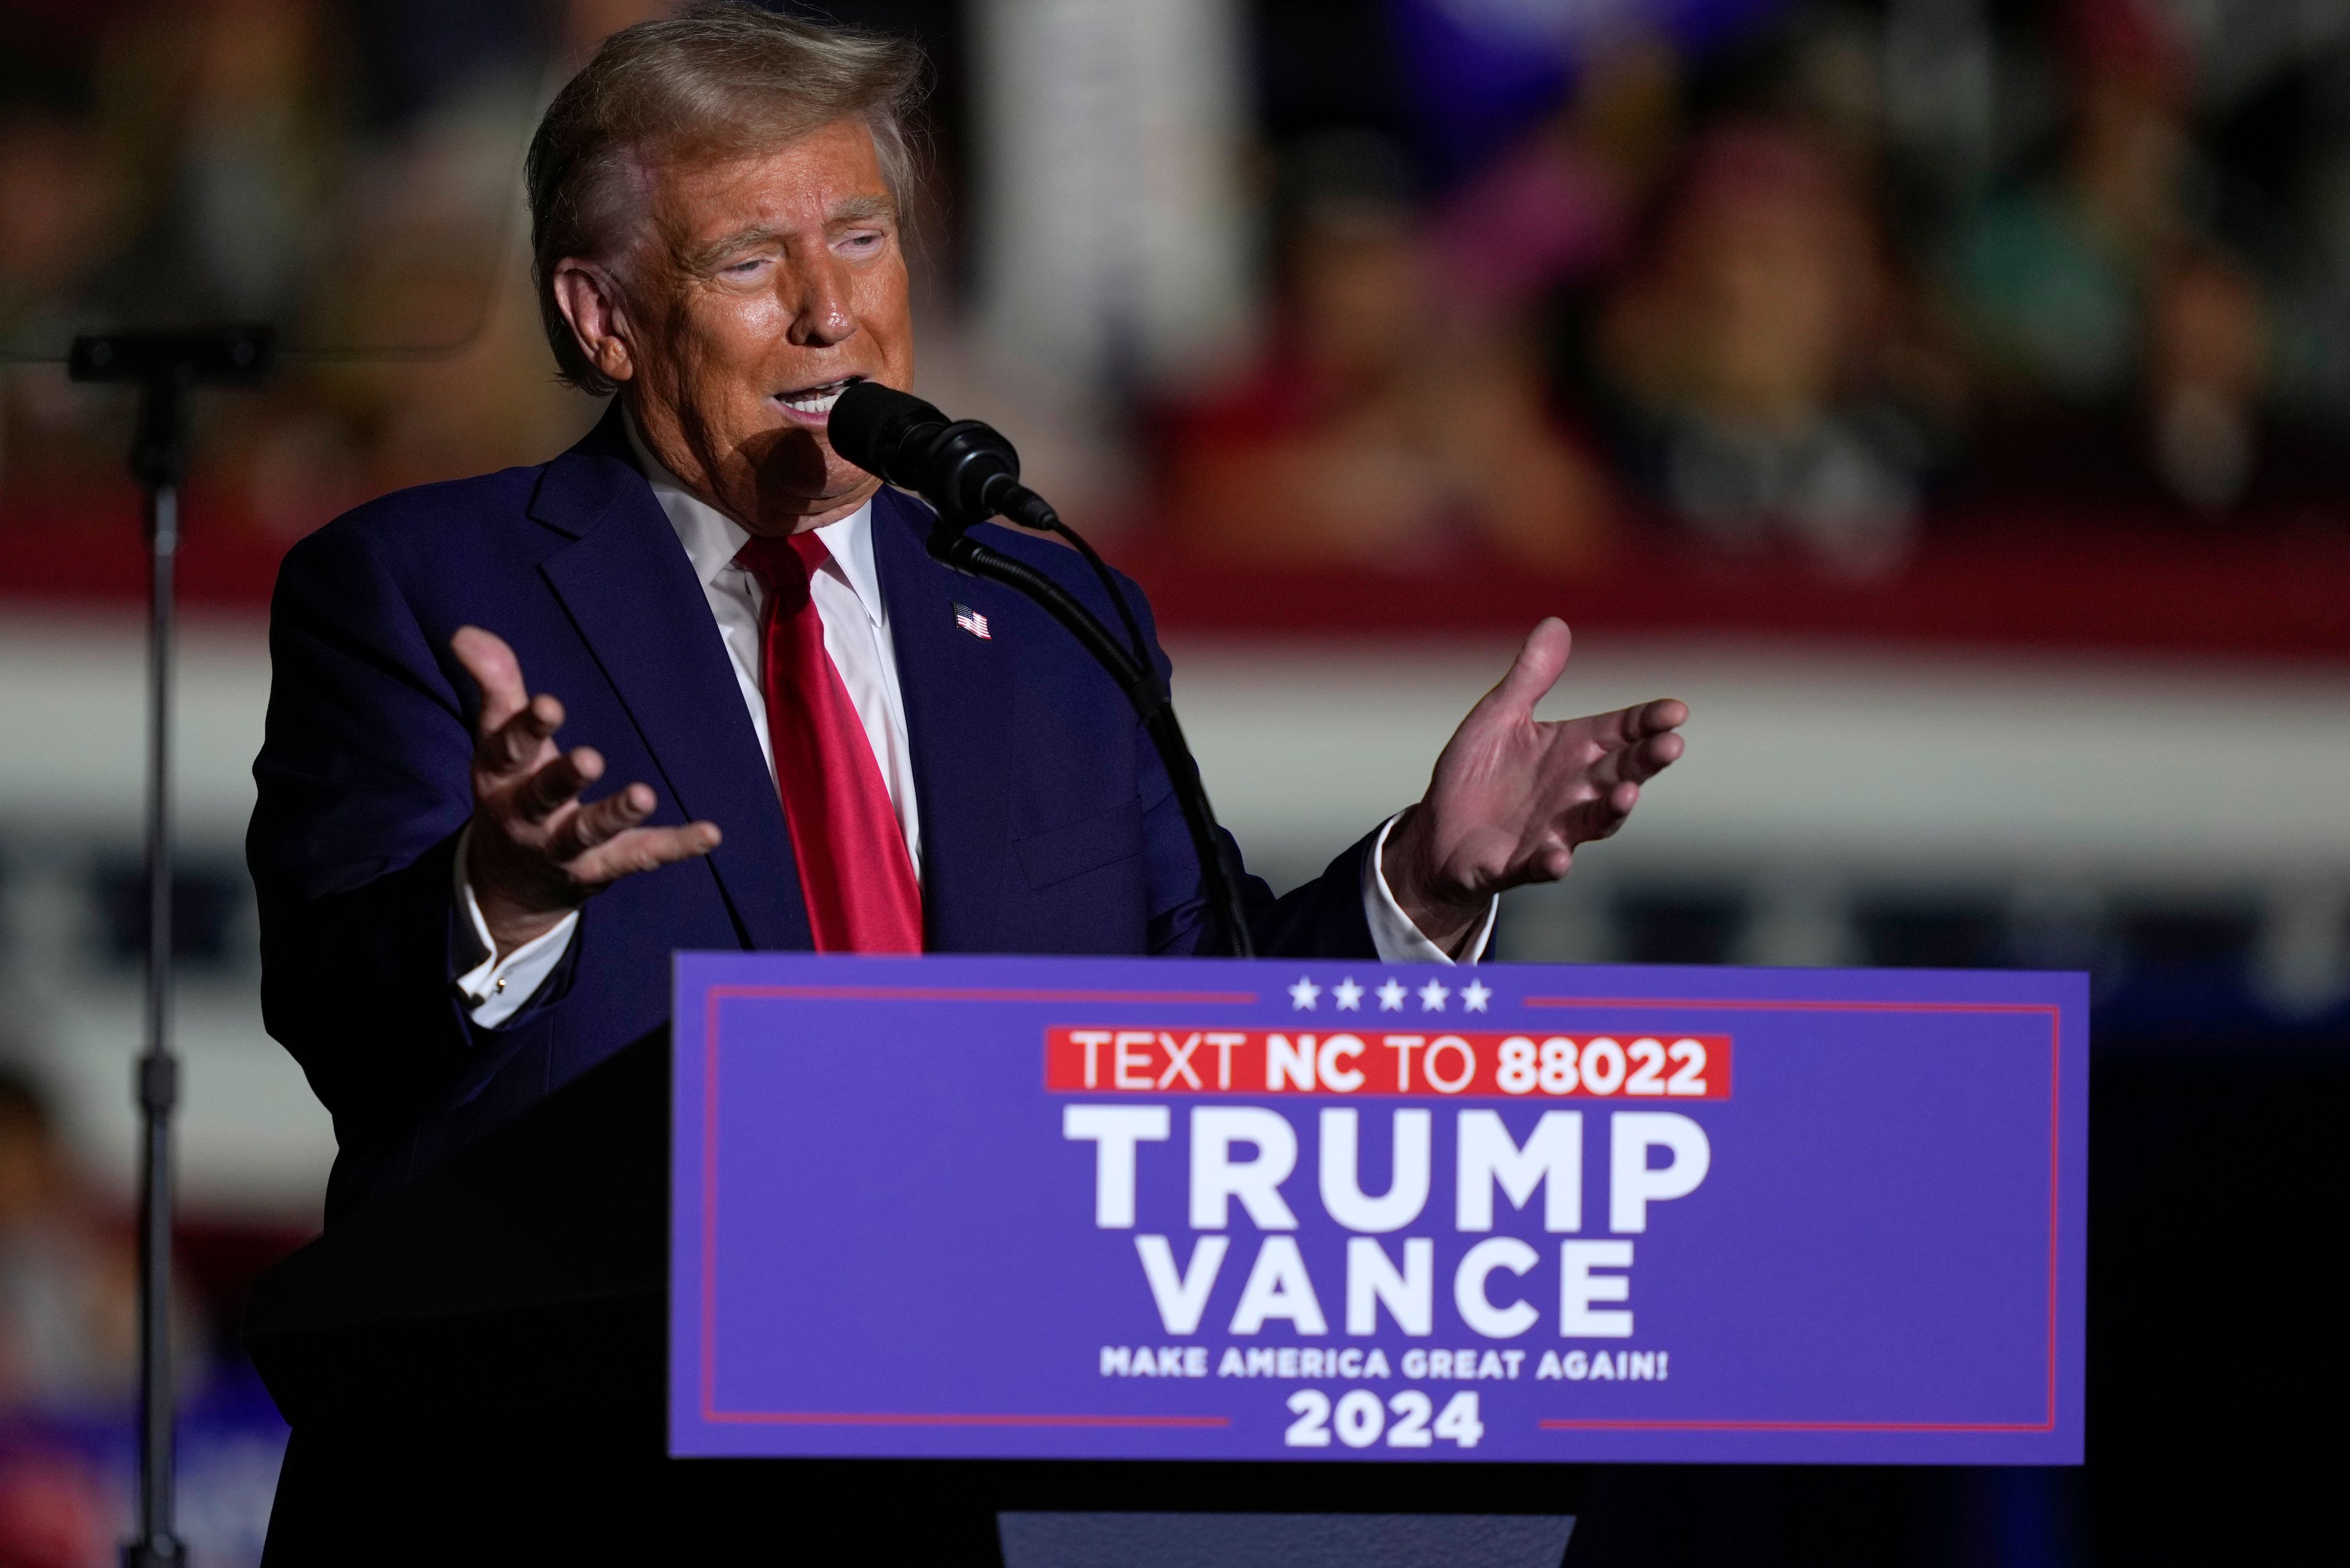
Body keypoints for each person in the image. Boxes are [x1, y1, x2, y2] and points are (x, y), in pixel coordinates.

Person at [244, 5, 1686, 1557]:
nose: (828, 314)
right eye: (748, 262)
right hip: (562, 1500)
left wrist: (1423, 881)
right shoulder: (422, 585)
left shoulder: (1049, 614)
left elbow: (1200, 1047)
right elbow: (343, 1016)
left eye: (860, 240)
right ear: (601, 318)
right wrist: (501, 891)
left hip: (961, 1506)